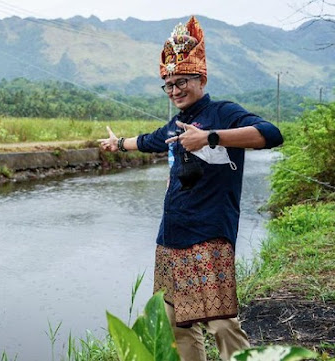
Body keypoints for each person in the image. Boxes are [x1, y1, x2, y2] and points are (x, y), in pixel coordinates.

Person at [99, 16, 283, 361]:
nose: (174, 91)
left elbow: (270, 134)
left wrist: (210, 137)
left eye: (181, 81)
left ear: (201, 79)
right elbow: (153, 140)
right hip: (171, 235)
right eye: (168, 85)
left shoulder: (223, 112)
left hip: (209, 232)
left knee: (221, 321)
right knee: (177, 324)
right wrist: (119, 143)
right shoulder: (175, 121)